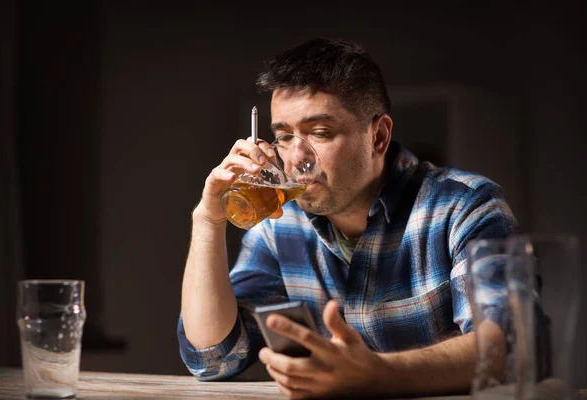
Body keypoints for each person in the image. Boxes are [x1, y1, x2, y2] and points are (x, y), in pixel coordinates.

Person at [177, 38, 518, 398]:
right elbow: (213, 358)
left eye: (320, 133)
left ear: (379, 137)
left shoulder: (465, 206)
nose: (295, 158)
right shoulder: (280, 225)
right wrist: (208, 221)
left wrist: (378, 374)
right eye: (283, 137)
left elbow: (507, 346)